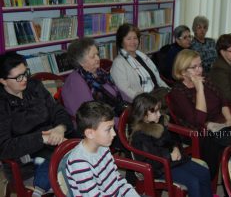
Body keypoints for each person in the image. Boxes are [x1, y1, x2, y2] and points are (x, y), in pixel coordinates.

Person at [0, 52, 74, 197]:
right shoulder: (2, 104)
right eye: (18, 77)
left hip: (54, 146)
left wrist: (60, 128)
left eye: (25, 73)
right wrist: (41, 138)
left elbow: (59, 112)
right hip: (27, 164)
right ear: (3, 81)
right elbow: (4, 147)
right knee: (74, 176)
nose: (25, 79)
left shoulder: (35, 87)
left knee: (88, 160)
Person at [169, 49, 231, 176]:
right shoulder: (178, 93)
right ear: (182, 72)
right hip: (200, 132)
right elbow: (199, 121)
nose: (200, 70)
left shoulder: (205, 79)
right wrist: (199, 90)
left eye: (200, 65)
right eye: (194, 67)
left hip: (220, 123)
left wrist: (229, 119)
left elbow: (222, 99)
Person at [129, 93, 213, 197]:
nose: (159, 114)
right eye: (155, 112)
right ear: (143, 114)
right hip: (160, 168)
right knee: (193, 181)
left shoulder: (157, 123)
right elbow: (151, 158)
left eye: (159, 111)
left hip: (172, 161)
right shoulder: (139, 135)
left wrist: (174, 147)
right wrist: (169, 155)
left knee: (204, 172)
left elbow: (170, 139)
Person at [66, 101, 139, 197]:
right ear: (90, 133)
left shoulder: (103, 147)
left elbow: (116, 179)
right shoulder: (79, 163)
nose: (114, 134)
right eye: (108, 129)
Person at [62, 37, 127, 119]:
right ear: (80, 61)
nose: (98, 58)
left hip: (116, 115)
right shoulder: (75, 82)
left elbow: (118, 93)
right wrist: (119, 122)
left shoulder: (100, 72)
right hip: (97, 125)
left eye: (97, 54)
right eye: (93, 56)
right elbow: (89, 116)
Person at [110, 23, 168, 102]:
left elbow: (158, 80)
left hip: (158, 94)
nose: (133, 42)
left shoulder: (143, 56)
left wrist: (168, 91)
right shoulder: (118, 63)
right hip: (144, 101)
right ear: (121, 41)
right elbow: (124, 90)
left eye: (135, 38)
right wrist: (145, 101)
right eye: (129, 39)